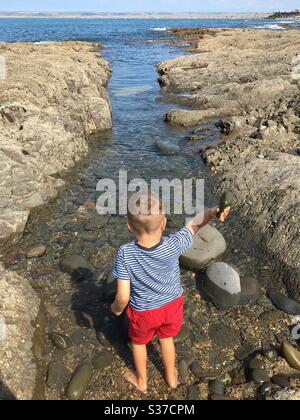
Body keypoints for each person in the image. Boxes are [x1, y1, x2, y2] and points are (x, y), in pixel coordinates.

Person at [111, 192, 230, 393]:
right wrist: (213, 211)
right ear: (164, 223)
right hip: (172, 305)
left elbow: (123, 296)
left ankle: (142, 381)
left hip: (144, 312)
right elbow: (195, 224)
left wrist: (115, 309)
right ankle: (171, 378)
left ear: (130, 226)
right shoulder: (174, 244)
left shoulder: (126, 253)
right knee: (166, 339)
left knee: (139, 343)